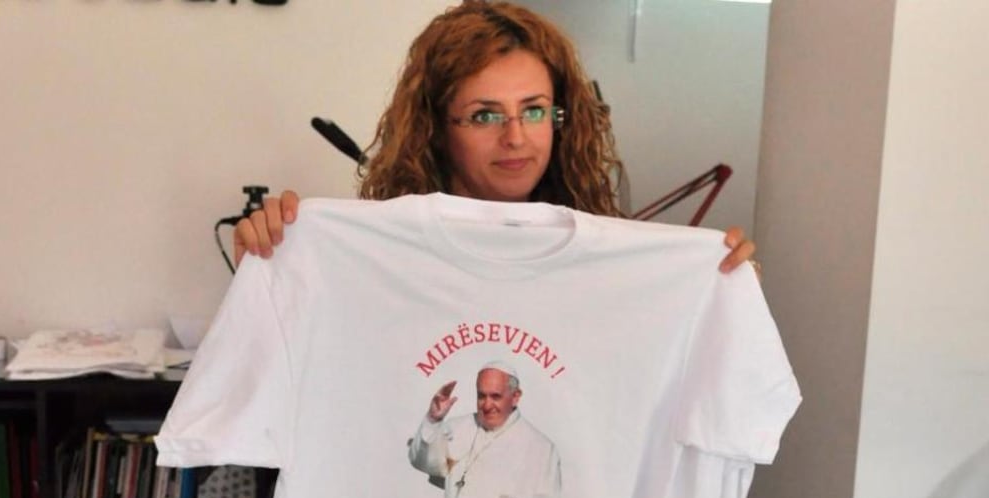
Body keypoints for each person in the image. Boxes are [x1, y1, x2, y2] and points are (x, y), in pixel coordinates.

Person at [229, 0, 757, 275]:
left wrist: (715, 289)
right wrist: (277, 254)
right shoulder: (373, 255)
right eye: (484, 115)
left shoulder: (605, 258)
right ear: (434, 130)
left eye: (533, 111)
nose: (515, 137)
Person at [408, 361, 561, 498]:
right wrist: (433, 420)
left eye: (495, 396)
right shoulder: (456, 427)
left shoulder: (542, 449)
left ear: (515, 397)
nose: (487, 405)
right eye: (481, 396)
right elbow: (423, 463)